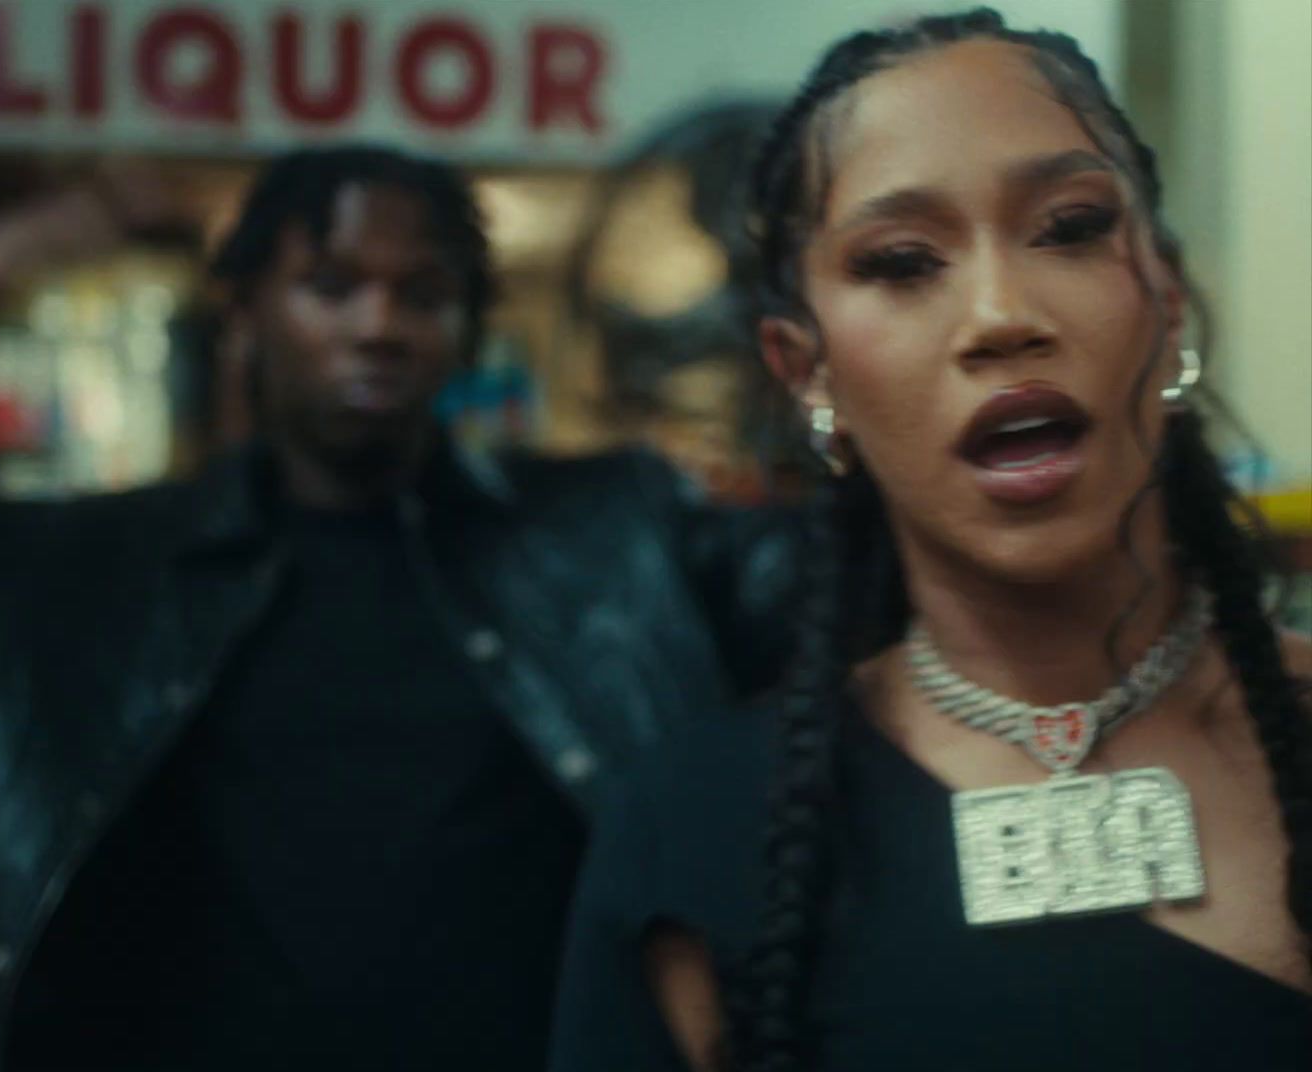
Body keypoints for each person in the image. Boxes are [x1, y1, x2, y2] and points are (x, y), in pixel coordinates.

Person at [0, 147, 796, 1070]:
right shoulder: (78, 575)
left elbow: (840, 592)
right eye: (330, 285)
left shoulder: (615, 535)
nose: (378, 325)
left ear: (466, 329)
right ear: (245, 316)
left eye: (423, 294)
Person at [549, 9, 1312, 1071]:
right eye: (904, 261)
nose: (1000, 314)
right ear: (808, 373)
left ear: (1169, 307)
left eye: (1071, 226)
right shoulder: (700, 826)